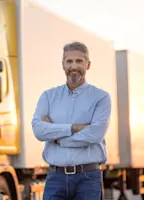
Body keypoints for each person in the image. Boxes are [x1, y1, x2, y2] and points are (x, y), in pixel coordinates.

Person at [31, 41, 111, 200]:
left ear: (88, 65)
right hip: (55, 177)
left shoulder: (101, 97)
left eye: (79, 61)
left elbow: (94, 135)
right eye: (69, 61)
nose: (74, 65)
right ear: (63, 65)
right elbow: (38, 130)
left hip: (87, 178)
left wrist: (57, 137)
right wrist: (74, 128)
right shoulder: (48, 96)